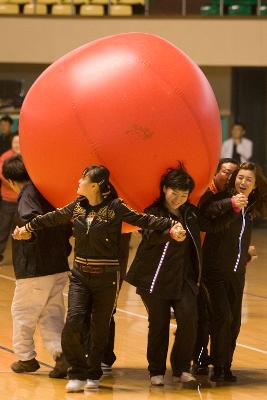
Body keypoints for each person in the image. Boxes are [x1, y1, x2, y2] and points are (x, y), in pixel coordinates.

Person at [13, 164, 183, 393]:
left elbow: (144, 220)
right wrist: (28, 228)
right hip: (81, 276)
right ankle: (77, 371)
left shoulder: (116, 207)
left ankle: (93, 372)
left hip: (107, 277)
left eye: (82, 179)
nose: (78, 182)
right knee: (73, 322)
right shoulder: (77, 207)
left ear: (94, 185)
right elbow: (51, 218)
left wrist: (172, 226)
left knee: (99, 328)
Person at [125, 164, 240, 389]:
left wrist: (233, 209)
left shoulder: (191, 213)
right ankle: (156, 370)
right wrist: (169, 233)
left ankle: (181, 369)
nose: (178, 198)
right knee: (158, 324)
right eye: (174, 192)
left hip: (185, 279)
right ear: (164, 189)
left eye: (184, 194)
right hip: (155, 279)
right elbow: (149, 235)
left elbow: (212, 225)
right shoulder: (153, 211)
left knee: (190, 321)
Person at [2, 155, 72, 377]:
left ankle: (26, 358)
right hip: (57, 264)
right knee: (52, 312)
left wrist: (27, 234)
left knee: (23, 313)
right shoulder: (47, 191)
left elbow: (31, 219)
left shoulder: (27, 195)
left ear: (11, 182)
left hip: (35, 268)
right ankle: (61, 356)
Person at [200, 162, 267, 382]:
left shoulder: (251, 207)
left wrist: (245, 254)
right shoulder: (221, 200)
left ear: (255, 186)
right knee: (223, 319)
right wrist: (230, 203)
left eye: (248, 179)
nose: (243, 182)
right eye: (240, 177)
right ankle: (217, 366)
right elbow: (206, 214)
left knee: (234, 322)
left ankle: (225, 366)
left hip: (237, 273)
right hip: (214, 272)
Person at [192, 157, 239, 374]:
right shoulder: (205, 194)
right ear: (216, 172)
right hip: (194, 263)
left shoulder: (231, 197)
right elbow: (206, 218)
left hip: (212, 263)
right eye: (226, 172)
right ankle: (199, 360)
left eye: (233, 173)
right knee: (200, 316)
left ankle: (214, 362)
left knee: (215, 316)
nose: (229, 177)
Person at [0, 135, 20, 265]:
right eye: (15, 142)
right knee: (4, 227)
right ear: (11, 143)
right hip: (8, 199)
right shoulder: (5, 157)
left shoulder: (28, 154)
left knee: (22, 229)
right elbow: (2, 175)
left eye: (19, 142)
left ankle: (21, 257)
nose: (17, 145)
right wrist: (17, 185)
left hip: (24, 200)